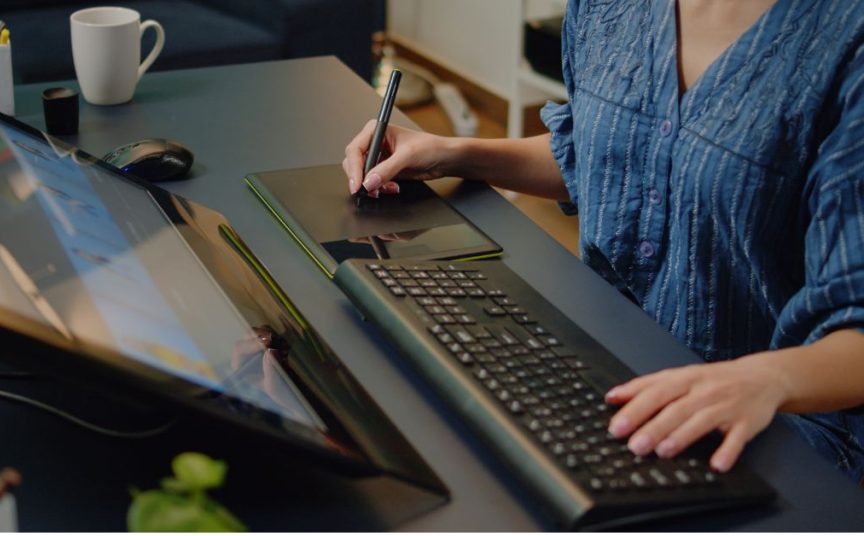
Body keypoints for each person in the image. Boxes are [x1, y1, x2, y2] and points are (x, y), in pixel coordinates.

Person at [342, 0, 864, 481]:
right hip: (604, 359)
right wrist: (454, 152)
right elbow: (604, 153)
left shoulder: (845, 40)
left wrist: (766, 381)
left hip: (774, 426)